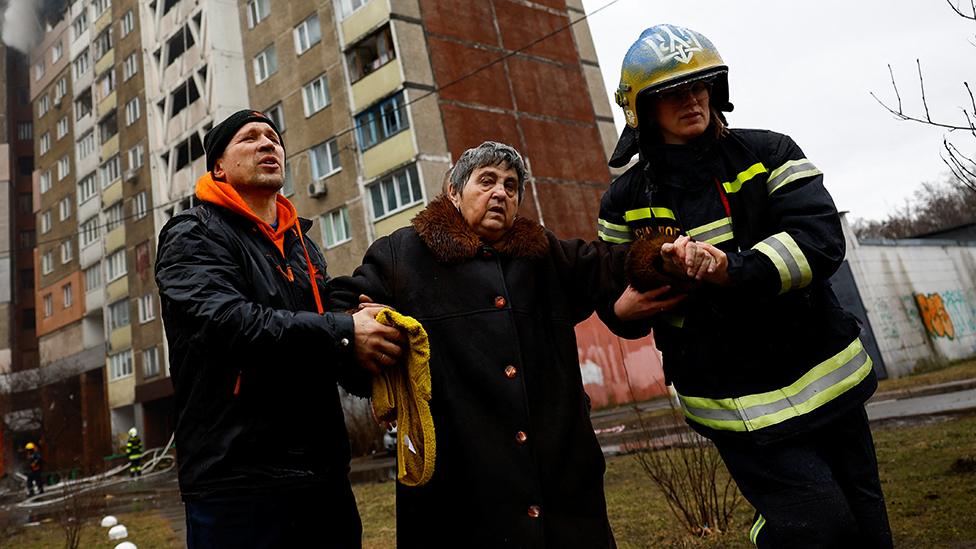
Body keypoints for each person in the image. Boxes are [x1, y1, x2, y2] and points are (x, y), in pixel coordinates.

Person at [598, 24, 892, 548]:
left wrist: (730, 269)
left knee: (867, 525)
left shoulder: (771, 151)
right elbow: (615, 290)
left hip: (828, 375)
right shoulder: (622, 202)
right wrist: (624, 309)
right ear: (640, 109)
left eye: (700, 85)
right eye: (672, 92)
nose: (692, 99)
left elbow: (819, 241)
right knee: (818, 527)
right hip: (732, 399)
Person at [327, 141, 667, 548]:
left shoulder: (544, 252)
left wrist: (663, 258)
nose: (501, 192)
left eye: (511, 185)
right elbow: (342, 307)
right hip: (459, 489)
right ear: (453, 192)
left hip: (559, 483)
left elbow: (610, 265)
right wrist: (363, 329)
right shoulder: (402, 254)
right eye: (486, 181)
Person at [155, 109, 404, 548]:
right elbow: (228, 324)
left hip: (322, 478)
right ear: (218, 165)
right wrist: (345, 331)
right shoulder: (193, 234)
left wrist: (373, 340)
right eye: (249, 138)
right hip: (238, 483)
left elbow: (324, 344)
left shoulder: (301, 245)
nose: (268, 144)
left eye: (273, 137)